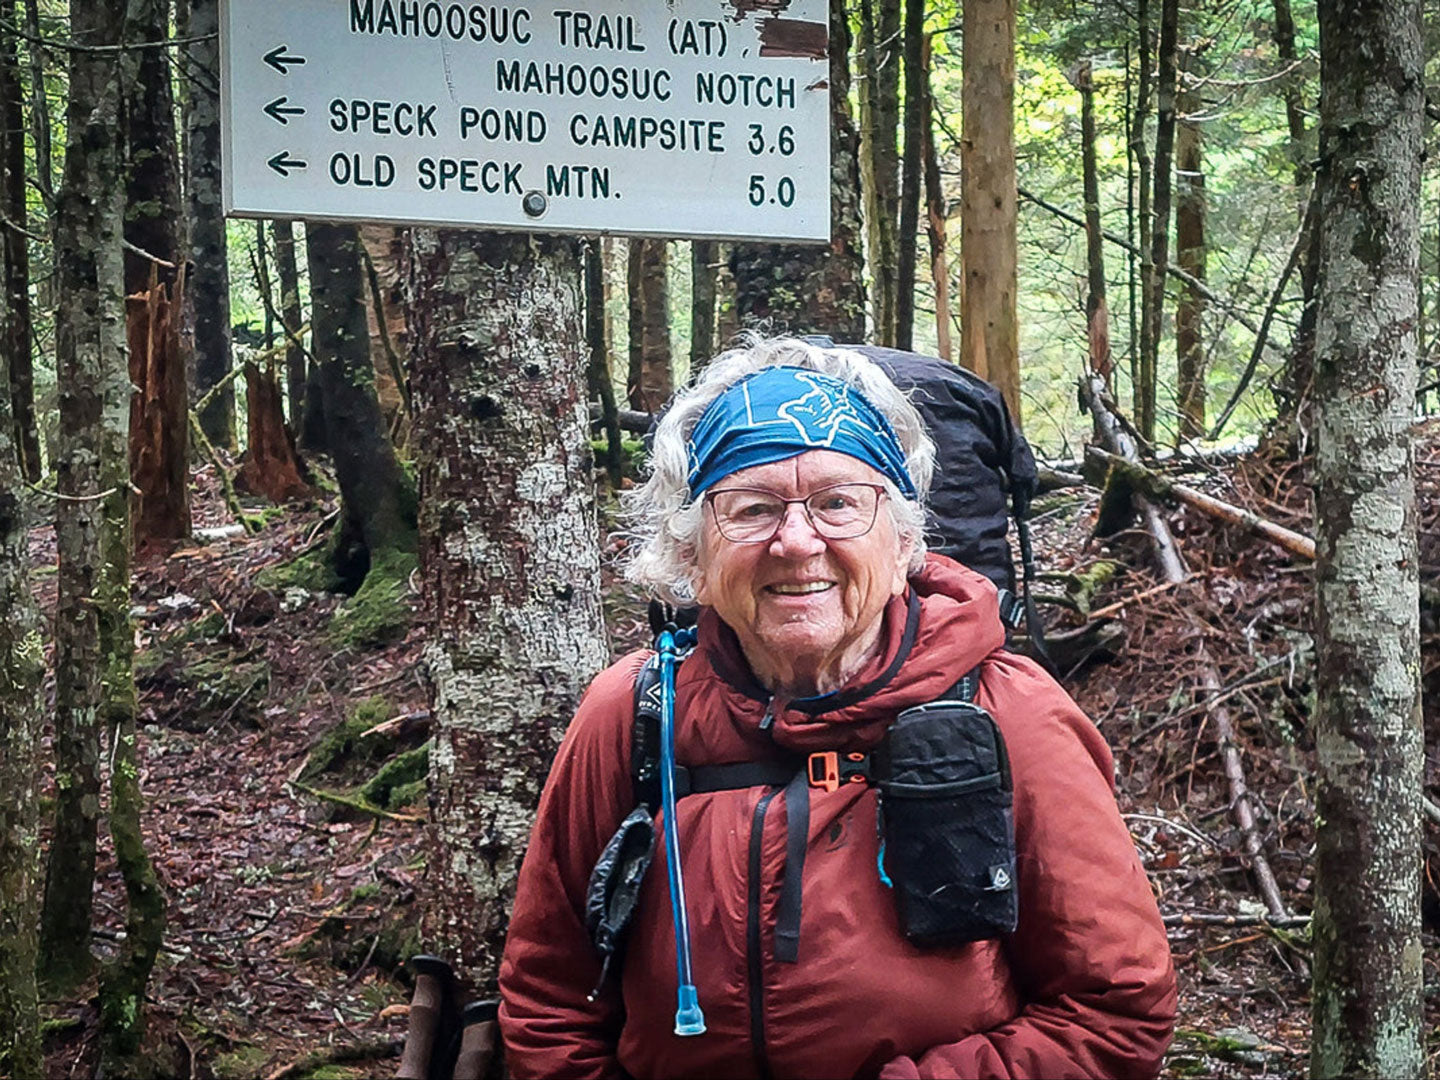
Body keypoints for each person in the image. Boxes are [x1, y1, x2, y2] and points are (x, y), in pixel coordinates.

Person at [499, 338, 1176, 1079]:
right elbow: (549, 1001)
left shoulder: (1005, 709)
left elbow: (1116, 1007)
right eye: (752, 508)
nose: (797, 542)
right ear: (691, 553)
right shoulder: (634, 714)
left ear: (903, 539)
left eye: (838, 503)